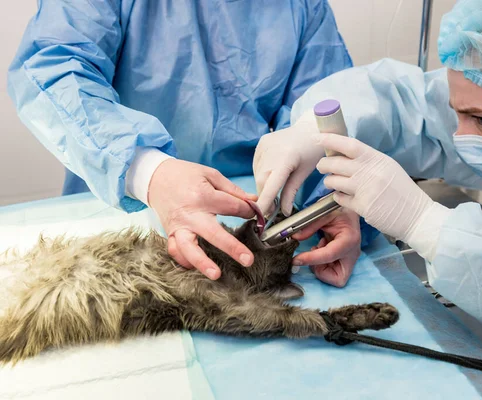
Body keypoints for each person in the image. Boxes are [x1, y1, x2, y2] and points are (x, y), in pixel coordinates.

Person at [253, 0, 482, 385]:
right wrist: (309, 131)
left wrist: (427, 223)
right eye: (459, 114)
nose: (459, 136)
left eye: (481, 121)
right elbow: (406, 105)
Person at [7, 0, 359, 283]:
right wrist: (149, 172)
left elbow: (317, 108)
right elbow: (54, 70)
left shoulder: (302, 7)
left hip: (252, 216)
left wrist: (330, 199)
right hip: (123, 201)